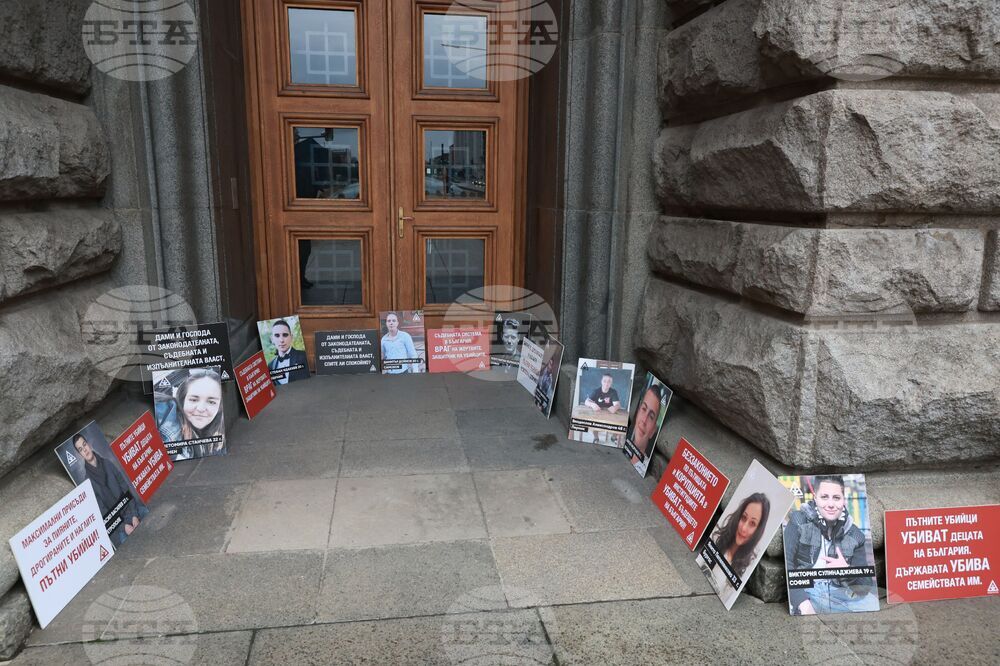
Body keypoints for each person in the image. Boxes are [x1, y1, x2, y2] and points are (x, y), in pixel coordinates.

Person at [783, 476, 879, 614]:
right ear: (815, 498)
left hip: (839, 592)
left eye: (836, 498)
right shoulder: (799, 521)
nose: (830, 504)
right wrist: (801, 601)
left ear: (843, 500)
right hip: (808, 589)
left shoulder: (855, 534)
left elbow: (865, 586)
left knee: (872, 603)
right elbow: (788, 564)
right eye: (824, 497)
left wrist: (846, 570)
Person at [700, 493, 771, 605]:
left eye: (752, 523)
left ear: (758, 530)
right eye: (743, 518)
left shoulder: (748, 565)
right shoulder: (718, 537)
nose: (743, 528)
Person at [73, 433, 142, 546]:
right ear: (80, 454)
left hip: (130, 510)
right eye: (80, 449)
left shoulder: (107, 463)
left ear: (89, 445)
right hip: (117, 525)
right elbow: (103, 512)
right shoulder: (88, 483)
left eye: (84, 445)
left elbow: (125, 487)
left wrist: (134, 515)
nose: (85, 450)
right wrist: (124, 527)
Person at [173, 368, 226, 460]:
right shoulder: (170, 429)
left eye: (211, 402)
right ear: (182, 401)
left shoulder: (219, 440)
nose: (201, 409)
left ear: (220, 407)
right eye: (193, 400)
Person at [627, 383, 666, 464]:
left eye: (651, 417)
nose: (644, 420)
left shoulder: (643, 465)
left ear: (653, 431)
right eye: (644, 409)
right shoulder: (625, 445)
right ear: (637, 413)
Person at [268, 319, 310, 384]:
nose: (281, 340)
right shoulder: (270, 365)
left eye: (285, 335)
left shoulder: (303, 356)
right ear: (272, 339)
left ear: (291, 337)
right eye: (277, 335)